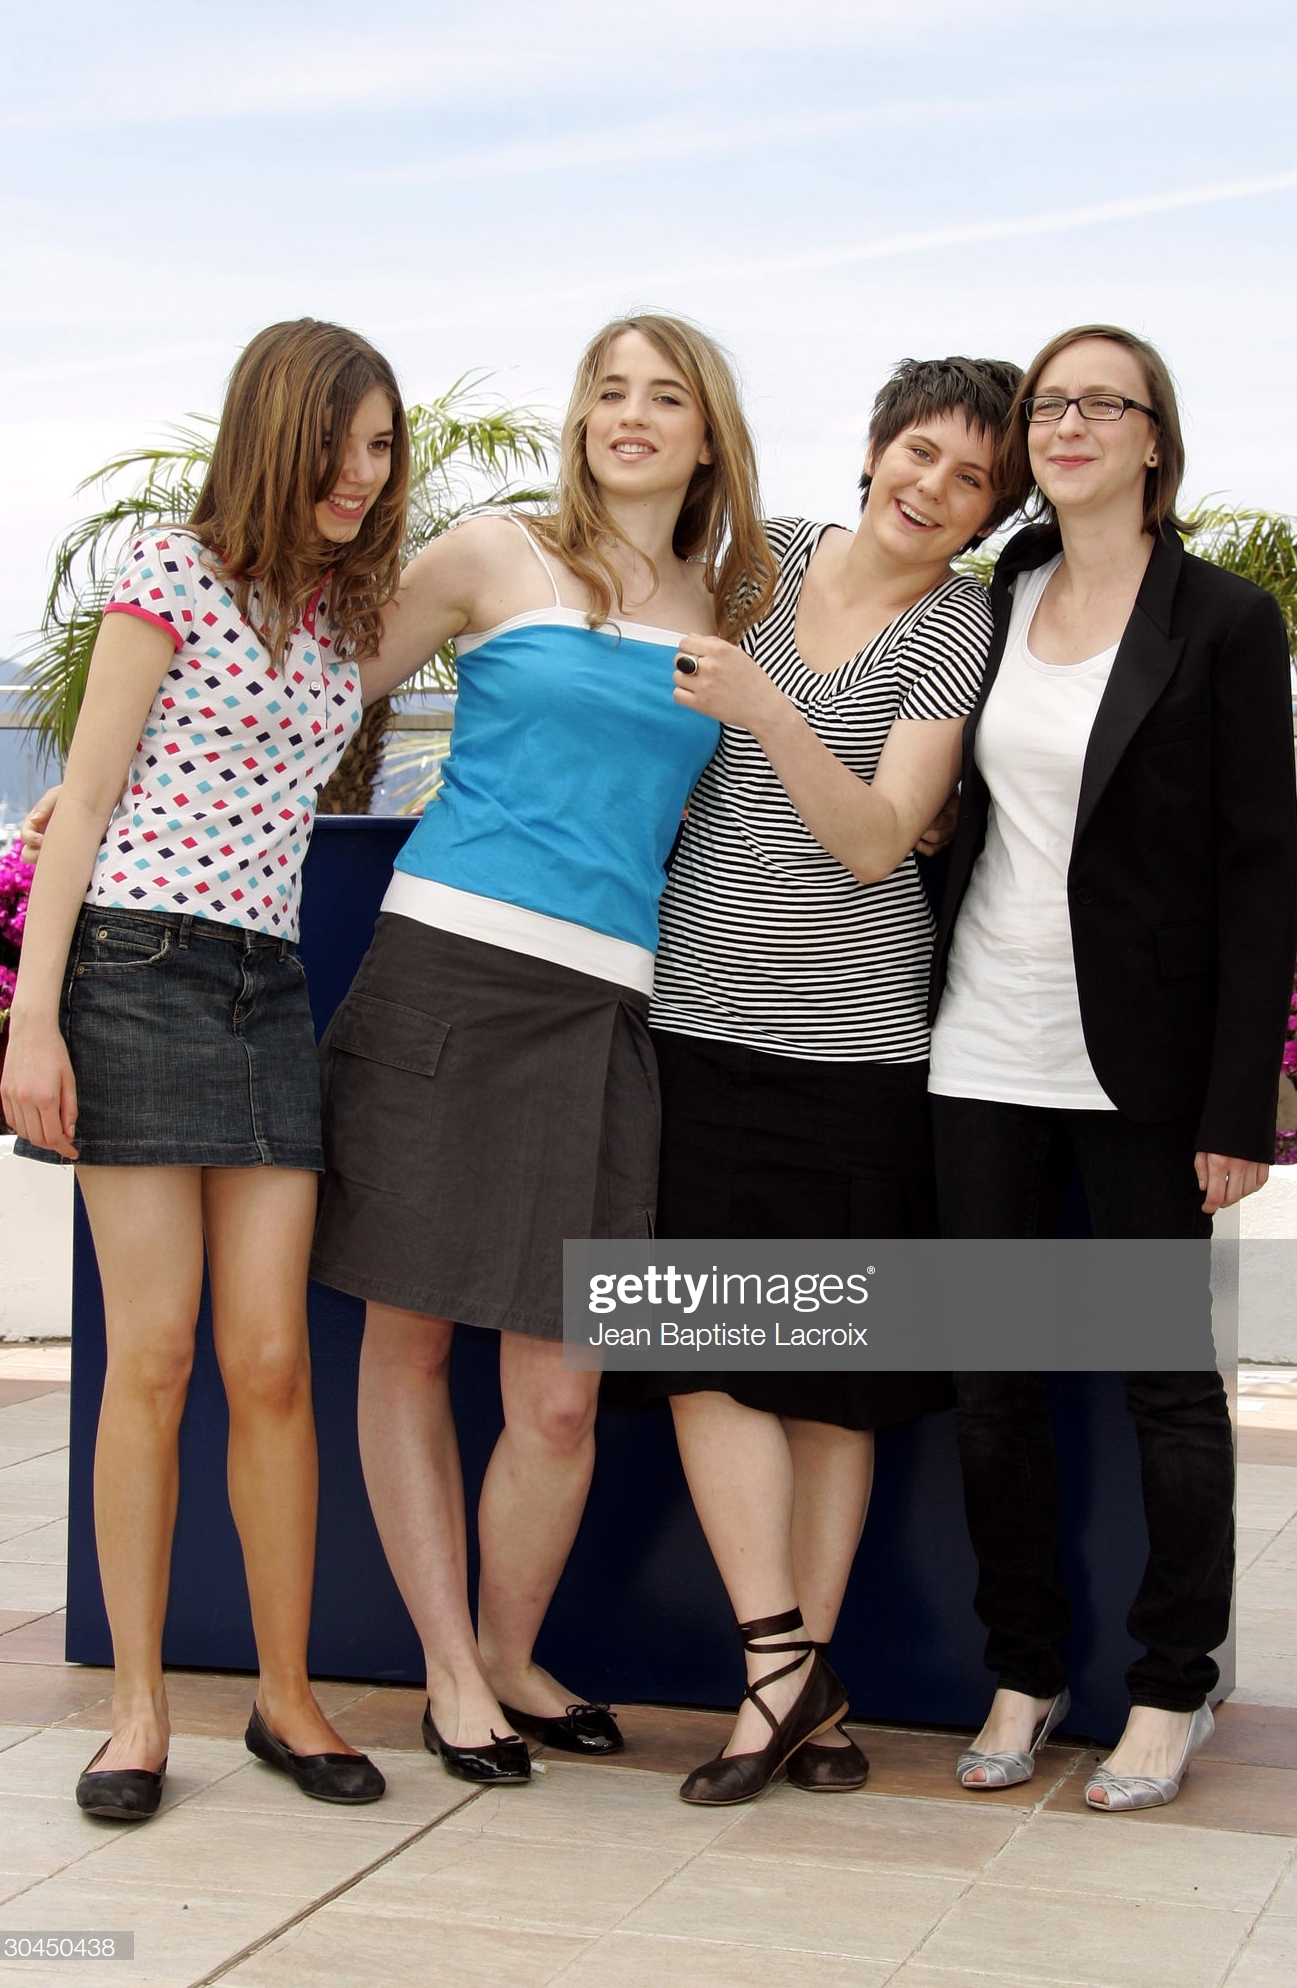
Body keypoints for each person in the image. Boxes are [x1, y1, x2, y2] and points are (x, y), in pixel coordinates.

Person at [308, 313, 776, 1784]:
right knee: (408, 1339)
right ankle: (453, 1671)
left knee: (562, 1390)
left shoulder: (737, 603)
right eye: (608, 391)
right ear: (580, 419)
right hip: (445, 970)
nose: (631, 415)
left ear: (707, 435)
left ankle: (509, 1653)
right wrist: (116, 790)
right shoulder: (492, 553)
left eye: (665, 397)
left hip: (605, 1009)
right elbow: (310, 697)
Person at [3, 319, 408, 1821]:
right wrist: (34, 1021)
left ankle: (286, 1701)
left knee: (274, 1362)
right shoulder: (165, 574)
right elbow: (88, 797)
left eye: (382, 449)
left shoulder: (346, 613)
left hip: (268, 988)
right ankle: (136, 1711)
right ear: (273, 435)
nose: (363, 476)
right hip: (135, 973)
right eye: (340, 446)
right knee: (156, 1358)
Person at [613, 357, 1024, 1805]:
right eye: (920, 453)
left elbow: (878, 838)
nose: (933, 489)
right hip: (693, 1031)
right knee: (706, 1362)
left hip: (860, 1054)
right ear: (873, 447)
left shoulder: (957, 627)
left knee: (832, 1386)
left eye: (971, 480)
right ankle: (784, 1673)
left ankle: (793, 1687)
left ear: (991, 513)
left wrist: (769, 709)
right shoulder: (763, 559)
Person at [927, 323, 1297, 1811]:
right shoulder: (996, 594)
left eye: (1104, 403)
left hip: (1140, 1065)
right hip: (979, 1043)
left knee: (1164, 1387)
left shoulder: (1224, 620)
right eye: (1049, 404)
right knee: (992, 1388)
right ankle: (1024, 1671)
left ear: (1155, 437)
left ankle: (1170, 1684)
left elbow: (1258, 875)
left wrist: (1236, 1102)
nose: (1070, 425)